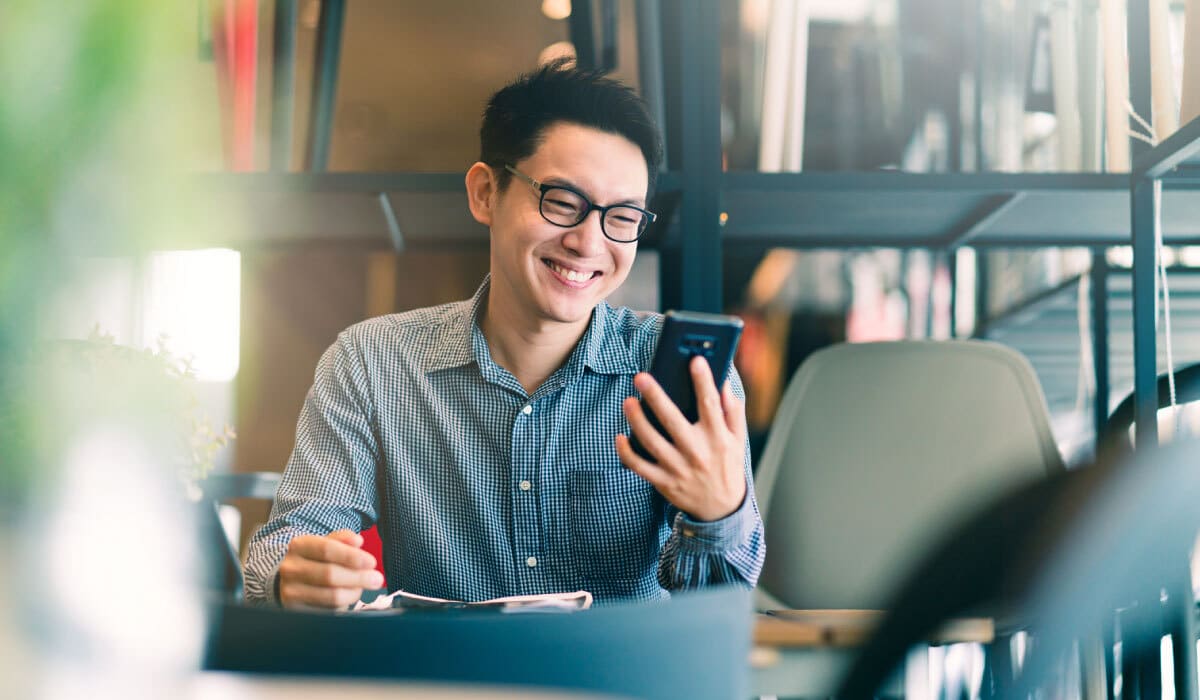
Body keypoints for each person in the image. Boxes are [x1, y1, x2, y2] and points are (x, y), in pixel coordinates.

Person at [244, 60, 764, 607]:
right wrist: (295, 575)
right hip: (450, 686)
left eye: (622, 218)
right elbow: (288, 544)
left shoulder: (681, 375)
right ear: (485, 193)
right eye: (563, 203)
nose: (589, 244)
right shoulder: (372, 362)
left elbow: (722, 607)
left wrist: (719, 513)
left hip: (620, 686)